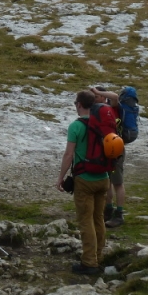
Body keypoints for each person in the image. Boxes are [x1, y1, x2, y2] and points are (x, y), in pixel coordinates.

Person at [57, 90, 110, 275]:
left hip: (84, 179)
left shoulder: (76, 126)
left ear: (79, 104)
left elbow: (68, 154)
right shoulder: (102, 124)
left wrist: (60, 178)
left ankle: (89, 263)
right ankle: (98, 256)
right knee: (98, 219)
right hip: (104, 178)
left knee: (85, 221)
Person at [92, 86, 126, 228]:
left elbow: (115, 96)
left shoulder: (112, 107)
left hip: (116, 149)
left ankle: (119, 214)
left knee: (117, 182)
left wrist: (98, 92)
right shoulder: (95, 110)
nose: (94, 99)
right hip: (103, 150)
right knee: (107, 181)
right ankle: (108, 209)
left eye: (96, 97)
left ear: (103, 97)